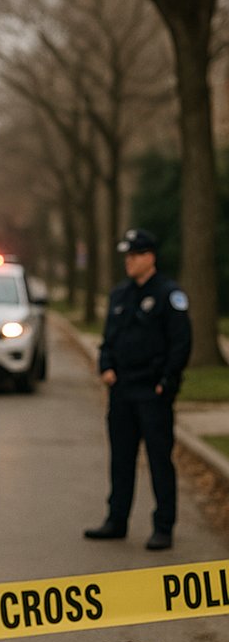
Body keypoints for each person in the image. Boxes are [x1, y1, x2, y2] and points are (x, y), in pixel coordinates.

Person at [84, 228, 192, 551]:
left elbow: (181, 343)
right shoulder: (120, 295)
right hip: (122, 392)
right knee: (121, 460)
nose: (128, 262)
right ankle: (116, 520)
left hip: (152, 392)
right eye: (126, 257)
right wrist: (106, 366)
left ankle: (163, 526)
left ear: (149, 257)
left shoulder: (168, 295)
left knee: (159, 461)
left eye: (133, 256)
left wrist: (167, 383)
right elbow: (109, 339)